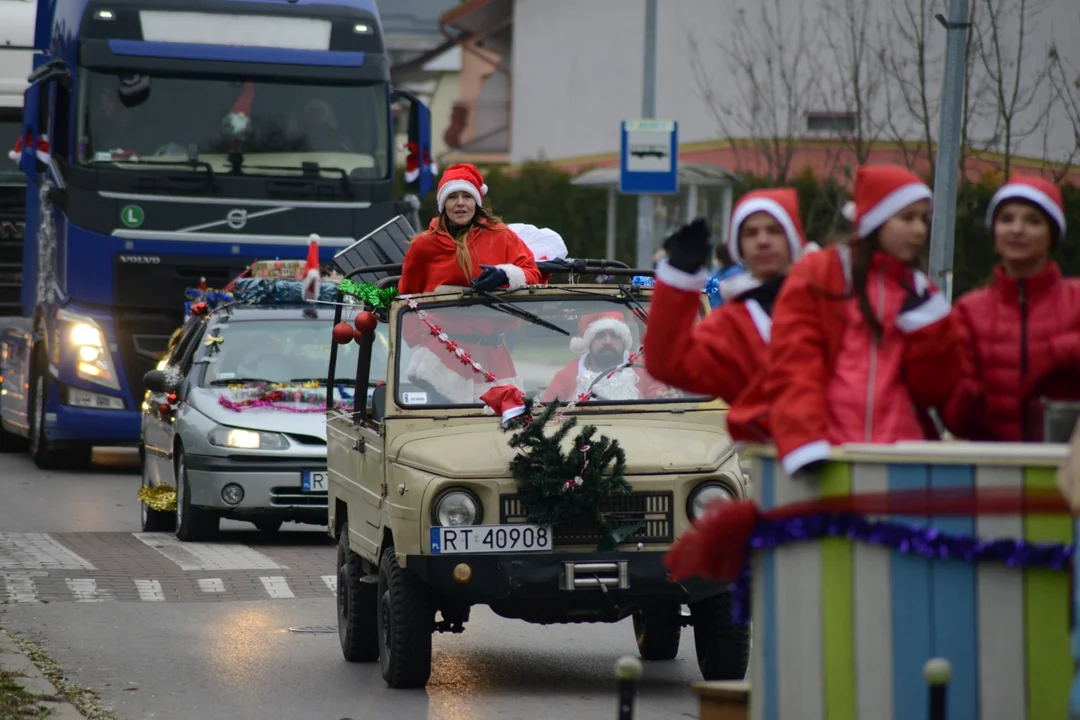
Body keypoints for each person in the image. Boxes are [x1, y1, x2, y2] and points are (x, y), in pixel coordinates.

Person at [729, 165, 963, 476]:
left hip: (900, 455)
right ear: (877, 219)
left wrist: (928, 327)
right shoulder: (821, 273)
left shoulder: (921, 291)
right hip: (829, 453)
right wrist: (803, 441)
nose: (919, 230)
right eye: (907, 218)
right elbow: (794, 362)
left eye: (923, 219)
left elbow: (932, 390)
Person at [644, 188, 816, 405]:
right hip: (760, 439)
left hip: (839, 439)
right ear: (739, 246)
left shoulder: (828, 301)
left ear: (793, 236)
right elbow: (668, 364)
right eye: (750, 233)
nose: (762, 241)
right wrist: (679, 279)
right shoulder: (730, 325)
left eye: (774, 230)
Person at [942, 175, 1080, 441]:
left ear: (1052, 235)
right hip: (994, 469)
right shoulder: (968, 311)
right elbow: (955, 417)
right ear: (993, 233)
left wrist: (1061, 351)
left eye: (1033, 221)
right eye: (1006, 219)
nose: (1017, 230)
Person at [398, 164, 542, 403]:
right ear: (443, 204)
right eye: (452, 196)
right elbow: (405, 299)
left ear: (477, 201)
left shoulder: (502, 236)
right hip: (442, 357)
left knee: (502, 430)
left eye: (467, 196)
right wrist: (418, 344)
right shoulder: (423, 246)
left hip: (494, 355)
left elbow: (532, 274)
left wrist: (506, 275)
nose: (460, 203)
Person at [543, 311, 670, 402]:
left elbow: (661, 405)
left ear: (623, 341)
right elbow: (546, 415)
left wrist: (665, 398)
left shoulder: (644, 370)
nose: (608, 341)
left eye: (614, 335)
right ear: (589, 342)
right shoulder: (567, 375)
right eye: (600, 336)